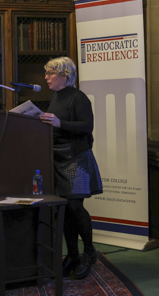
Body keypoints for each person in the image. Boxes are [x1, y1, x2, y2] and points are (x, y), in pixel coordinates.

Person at [39, 57, 103, 280]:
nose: (46, 77)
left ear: (65, 76)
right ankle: (73, 255)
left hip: (76, 158)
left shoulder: (78, 97)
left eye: (50, 73)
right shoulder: (55, 97)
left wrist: (59, 123)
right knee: (64, 210)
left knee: (75, 207)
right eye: (46, 73)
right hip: (57, 158)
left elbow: (87, 126)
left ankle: (89, 252)